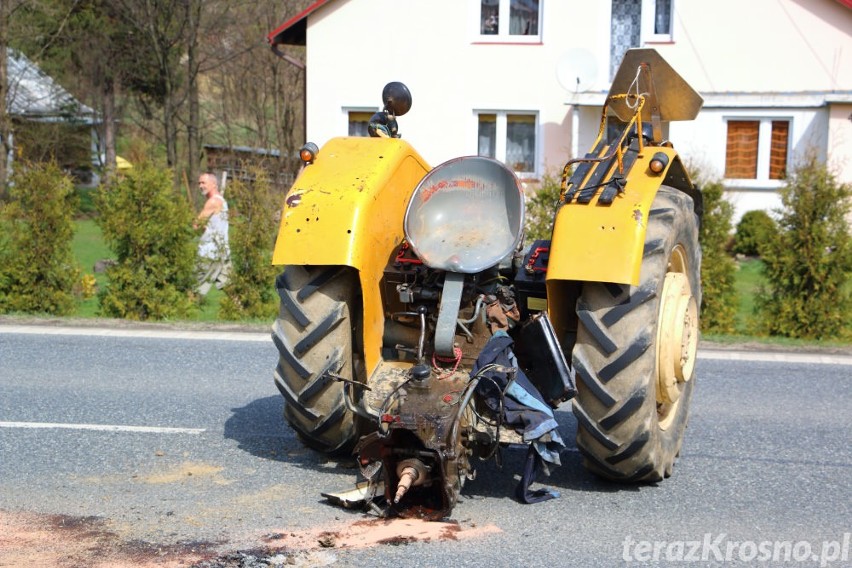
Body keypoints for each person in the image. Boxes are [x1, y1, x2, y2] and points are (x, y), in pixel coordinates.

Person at [194, 172, 231, 295]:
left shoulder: (212, 202)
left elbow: (196, 225)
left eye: (203, 182)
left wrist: (201, 226)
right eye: (199, 183)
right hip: (222, 252)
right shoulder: (222, 201)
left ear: (213, 184)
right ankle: (245, 312)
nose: (200, 186)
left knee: (195, 290)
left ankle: (186, 312)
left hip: (209, 254)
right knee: (232, 290)